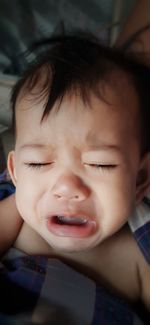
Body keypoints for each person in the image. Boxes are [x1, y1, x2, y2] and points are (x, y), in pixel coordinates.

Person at [0, 33, 149, 324]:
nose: (67, 187)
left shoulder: (138, 257)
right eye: (38, 162)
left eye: (99, 164)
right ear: (16, 172)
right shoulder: (15, 213)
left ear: (141, 178)